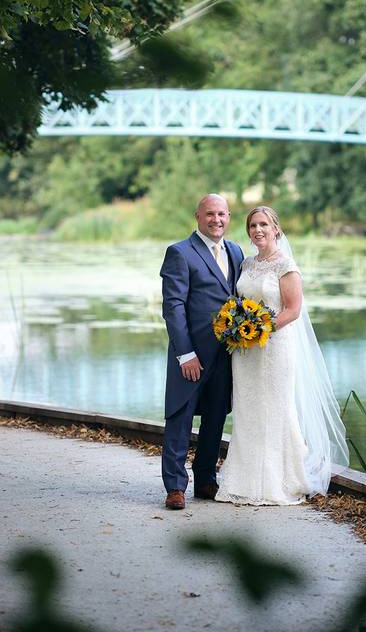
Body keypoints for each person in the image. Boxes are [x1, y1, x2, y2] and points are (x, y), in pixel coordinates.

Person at [216, 206, 349, 505]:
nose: (258, 230)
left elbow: (292, 310)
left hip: (275, 348)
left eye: (264, 224)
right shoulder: (247, 263)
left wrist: (258, 327)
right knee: (248, 412)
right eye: (253, 225)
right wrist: (239, 329)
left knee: (276, 410)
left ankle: (279, 482)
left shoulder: (285, 265)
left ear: (276, 228)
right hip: (245, 351)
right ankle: (243, 482)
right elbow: (240, 301)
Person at [159, 194, 244, 510]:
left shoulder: (235, 251)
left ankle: (206, 479)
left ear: (228, 217)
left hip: (225, 355)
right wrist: (185, 354)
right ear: (198, 216)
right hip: (191, 355)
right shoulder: (180, 253)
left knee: (215, 417)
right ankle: (175, 487)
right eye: (210, 214)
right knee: (179, 418)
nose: (216, 220)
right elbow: (173, 307)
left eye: (222, 214)